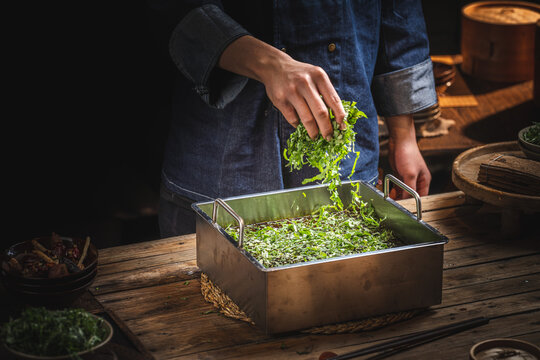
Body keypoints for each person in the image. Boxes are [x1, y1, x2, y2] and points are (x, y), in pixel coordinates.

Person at [154, 0, 435, 237]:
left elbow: (399, 14)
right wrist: (268, 63)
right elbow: (178, 10)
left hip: (346, 167)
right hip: (223, 161)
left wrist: (404, 136)